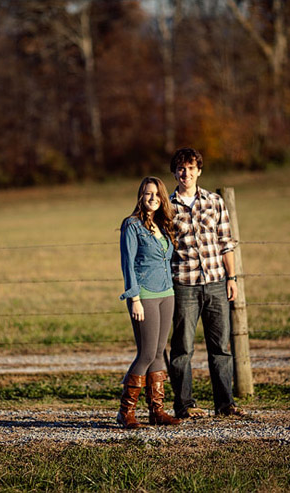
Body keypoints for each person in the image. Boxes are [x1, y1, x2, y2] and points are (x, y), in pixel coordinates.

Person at [167, 147, 246, 419]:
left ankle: (225, 404)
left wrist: (231, 278)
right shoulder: (167, 207)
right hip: (183, 285)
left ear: (199, 170)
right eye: (180, 168)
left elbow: (226, 243)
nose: (185, 173)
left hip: (215, 282)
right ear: (174, 172)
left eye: (190, 167)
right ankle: (184, 405)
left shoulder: (214, 201)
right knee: (182, 349)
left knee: (220, 348)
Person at [117, 176, 182, 429]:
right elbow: (128, 264)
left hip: (167, 294)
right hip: (143, 295)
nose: (152, 198)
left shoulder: (163, 225)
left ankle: (157, 411)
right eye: (147, 194)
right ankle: (126, 412)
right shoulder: (131, 225)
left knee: (158, 354)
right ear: (140, 197)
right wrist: (134, 298)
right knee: (145, 354)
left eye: (156, 194)